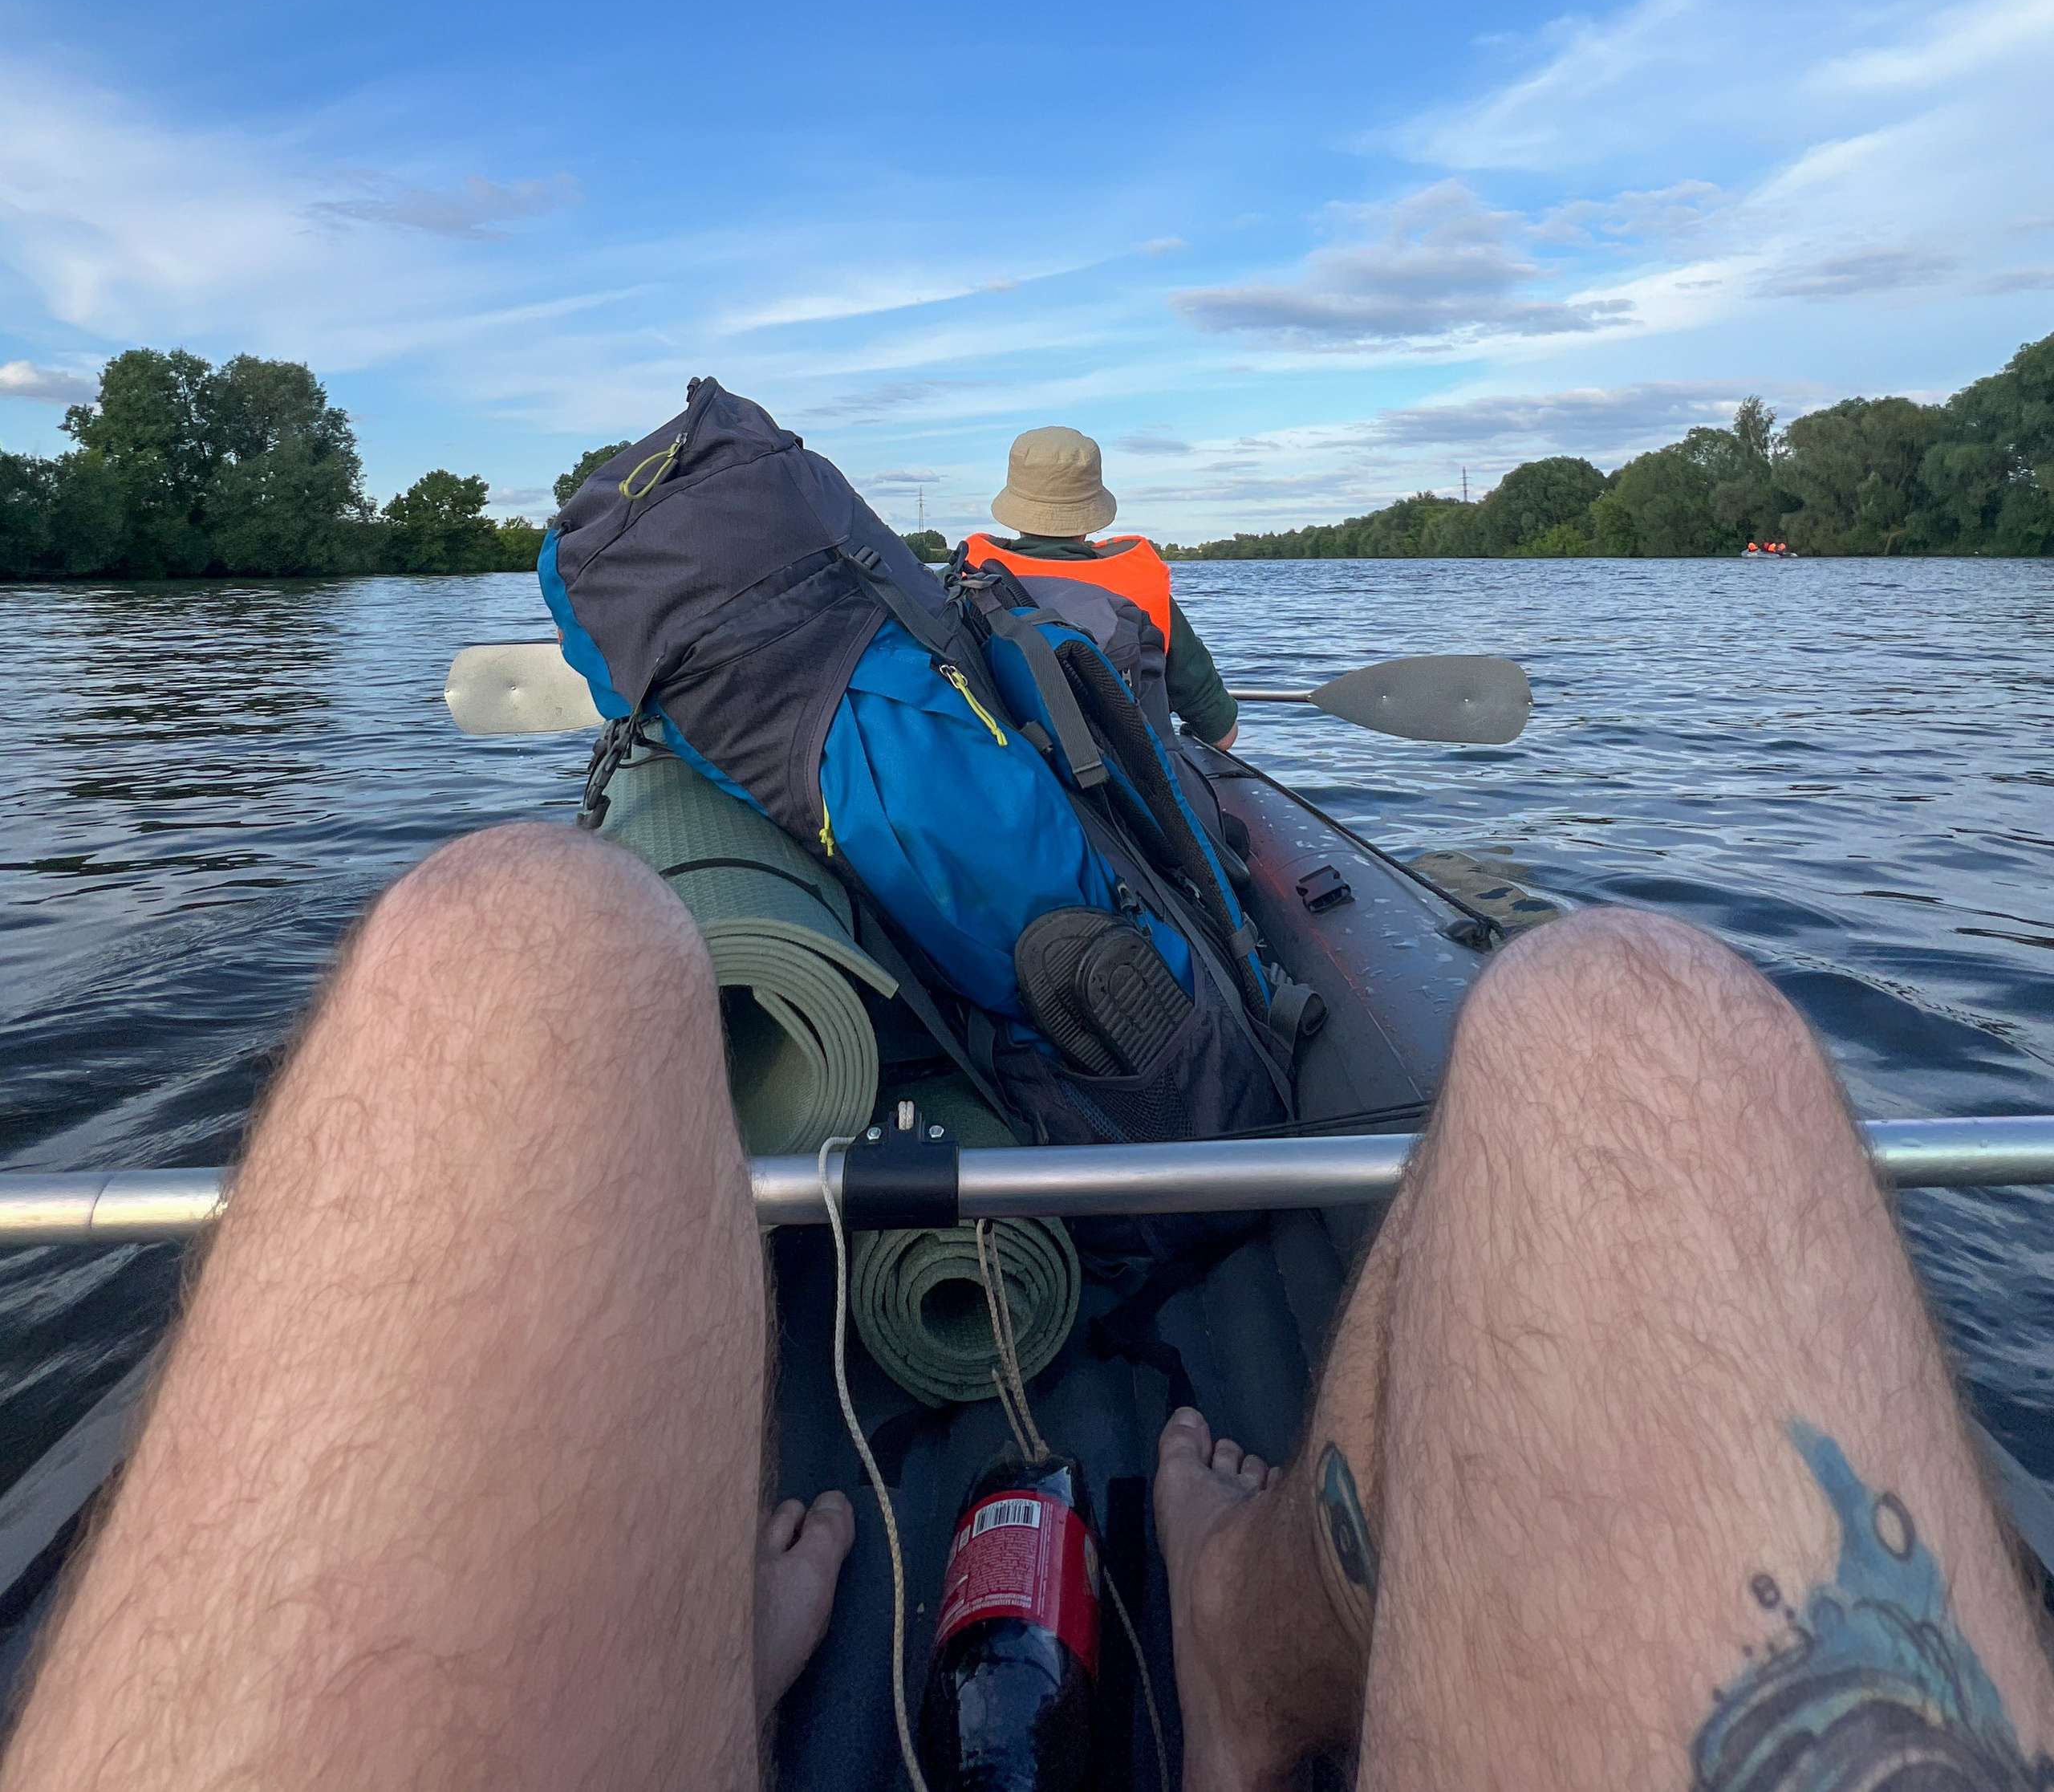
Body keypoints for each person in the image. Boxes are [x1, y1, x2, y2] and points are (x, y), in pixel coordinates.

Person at [5, 827, 2050, 1790]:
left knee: (502, 942)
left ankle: (659, 1635)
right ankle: (1250, 1646)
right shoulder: (1116, 617)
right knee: (1643, 1020)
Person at [967, 425, 1240, 747]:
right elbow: (1222, 736)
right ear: (1091, 512)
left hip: (999, 777)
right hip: (1128, 789)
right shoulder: (1143, 590)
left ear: (1014, 507)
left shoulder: (961, 581)